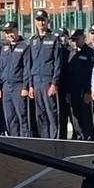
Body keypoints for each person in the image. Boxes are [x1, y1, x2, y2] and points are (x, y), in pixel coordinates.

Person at [24, 10, 63, 139]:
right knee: (39, 114)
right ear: (35, 22)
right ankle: (45, 140)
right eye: (38, 20)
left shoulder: (53, 39)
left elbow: (58, 63)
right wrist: (30, 85)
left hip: (48, 81)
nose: (41, 22)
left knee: (51, 113)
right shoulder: (33, 41)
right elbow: (29, 64)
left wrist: (54, 83)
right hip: (35, 82)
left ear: (47, 21)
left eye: (43, 20)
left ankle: (54, 141)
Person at [0, 22, 31, 137]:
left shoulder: (24, 47)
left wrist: (25, 87)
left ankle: (25, 142)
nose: (9, 35)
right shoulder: (4, 48)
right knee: (10, 117)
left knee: (22, 116)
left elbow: (27, 68)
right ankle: (14, 141)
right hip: (6, 87)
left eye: (11, 32)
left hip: (18, 86)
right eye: (6, 32)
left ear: (17, 31)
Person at [63, 29, 94, 141]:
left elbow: (91, 74)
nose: (75, 42)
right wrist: (67, 92)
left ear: (83, 37)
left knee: (86, 118)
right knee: (75, 119)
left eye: (77, 39)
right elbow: (68, 75)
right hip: (73, 91)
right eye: (73, 40)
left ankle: (89, 139)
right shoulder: (72, 53)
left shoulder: (90, 53)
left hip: (84, 91)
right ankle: (79, 137)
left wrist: (88, 92)